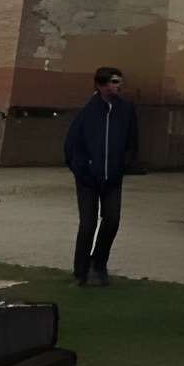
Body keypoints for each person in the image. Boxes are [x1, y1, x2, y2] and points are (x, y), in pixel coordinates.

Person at [64, 66, 139, 286]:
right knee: (88, 224)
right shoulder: (87, 111)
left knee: (112, 220)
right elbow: (72, 145)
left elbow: (132, 141)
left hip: (113, 178)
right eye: (114, 82)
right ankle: (81, 272)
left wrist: (124, 164)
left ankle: (99, 263)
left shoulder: (126, 110)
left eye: (119, 81)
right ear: (101, 84)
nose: (118, 85)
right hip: (88, 179)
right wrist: (82, 169)